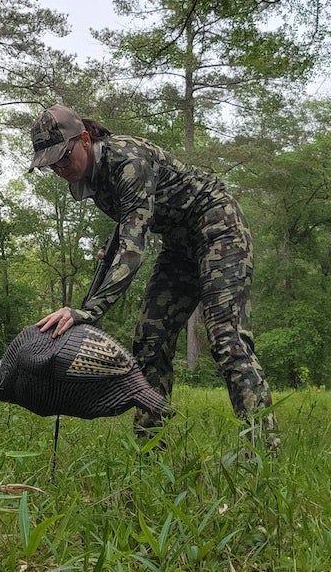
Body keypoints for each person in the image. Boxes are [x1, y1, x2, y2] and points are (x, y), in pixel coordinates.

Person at [29, 104, 278, 447]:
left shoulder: (128, 161)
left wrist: (88, 312)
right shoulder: (90, 177)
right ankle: (150, 451)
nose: (60, 169)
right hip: (179, 245)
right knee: (150, 338)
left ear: (84, 139)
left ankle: (264, 449)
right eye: (51, 164)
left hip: (219, 229)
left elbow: (133, 249)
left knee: (226, 338)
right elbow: (129, 224)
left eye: (64, 157)